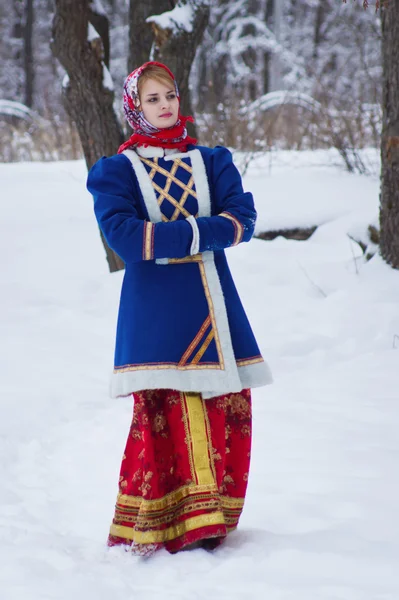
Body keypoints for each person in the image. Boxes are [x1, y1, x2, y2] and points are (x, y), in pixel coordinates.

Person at [87, 61, 273, 556]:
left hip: (215, 310)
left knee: (223, 412)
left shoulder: (212, 160)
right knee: (164, 413)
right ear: (135, 108)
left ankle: (211, 523)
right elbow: (126, 238)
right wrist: (200, 232)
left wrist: (172, 239)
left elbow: (242, 221)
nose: (166, 104)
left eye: (170, 94)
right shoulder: (116, 172)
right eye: (152, 99)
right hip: (156, 317)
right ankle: (163, 526)